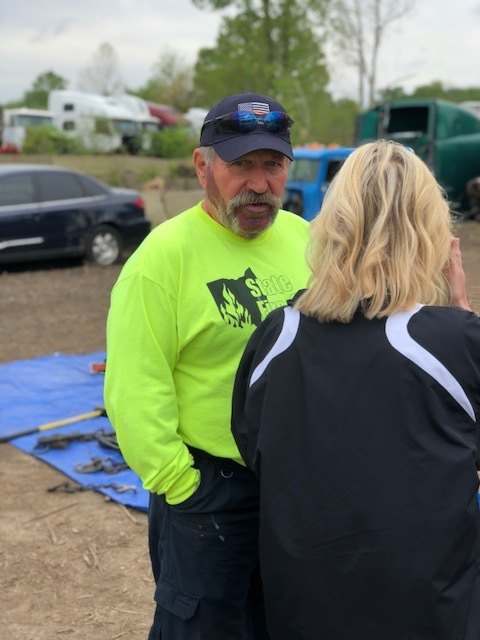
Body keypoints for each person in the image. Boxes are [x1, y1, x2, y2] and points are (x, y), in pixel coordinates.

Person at [232, 140, 480, 640]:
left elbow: (251, 444)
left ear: (332, 225)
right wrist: (460, 310)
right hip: (430, 612)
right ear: (429, 231)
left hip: (303, 608)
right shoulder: (455, 341)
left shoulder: (277, 334)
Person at [103, 92, 311, 640]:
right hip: (208, 489)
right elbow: (134, 387)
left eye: (273, 165)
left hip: (293, 486)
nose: (259, 184)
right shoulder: (162, 260)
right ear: (203, 167)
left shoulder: (306, 239)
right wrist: (184, 486)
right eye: (241, 165)